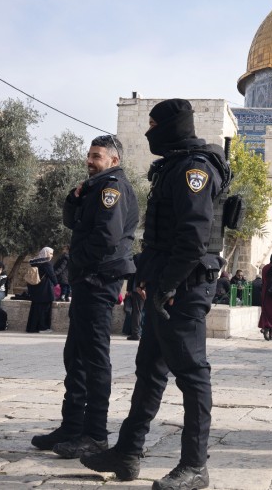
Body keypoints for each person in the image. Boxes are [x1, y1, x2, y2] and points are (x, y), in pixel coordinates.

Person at [80, 99, 228, 490]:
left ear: (171, 127)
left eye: (152, 125)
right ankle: (127, 453)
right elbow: (163, 237)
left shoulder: (194, 168)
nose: (147, 133)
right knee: (150, 370)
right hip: (166, 285)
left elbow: (194, 237)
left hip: (185, 286)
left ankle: (195, 466)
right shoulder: (175, 166)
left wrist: (167, 285)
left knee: (192, 374)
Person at [31, 134, 138, 460]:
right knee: (75, 356)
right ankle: (72, 427)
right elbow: (73, 222)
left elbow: (106, 237)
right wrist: (73, 199)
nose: (90, 161)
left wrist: (78, 264)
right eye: (89, 155)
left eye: (97, 156)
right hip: (89, 280)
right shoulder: (95, 188)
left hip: (98, 280)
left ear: (114, 161)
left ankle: (95, 434)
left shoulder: (112, 189)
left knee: (93, 359)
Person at [26, 247, 57, 333]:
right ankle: (43, 328)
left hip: (35, 289)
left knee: (35, 309)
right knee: (44, 310)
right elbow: (52, 276)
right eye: (50, 253)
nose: (51, 255)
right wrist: (56, 284)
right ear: (46, 253)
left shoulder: (34, 263)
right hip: (45, 290)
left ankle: (32, 328)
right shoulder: (46, 264)